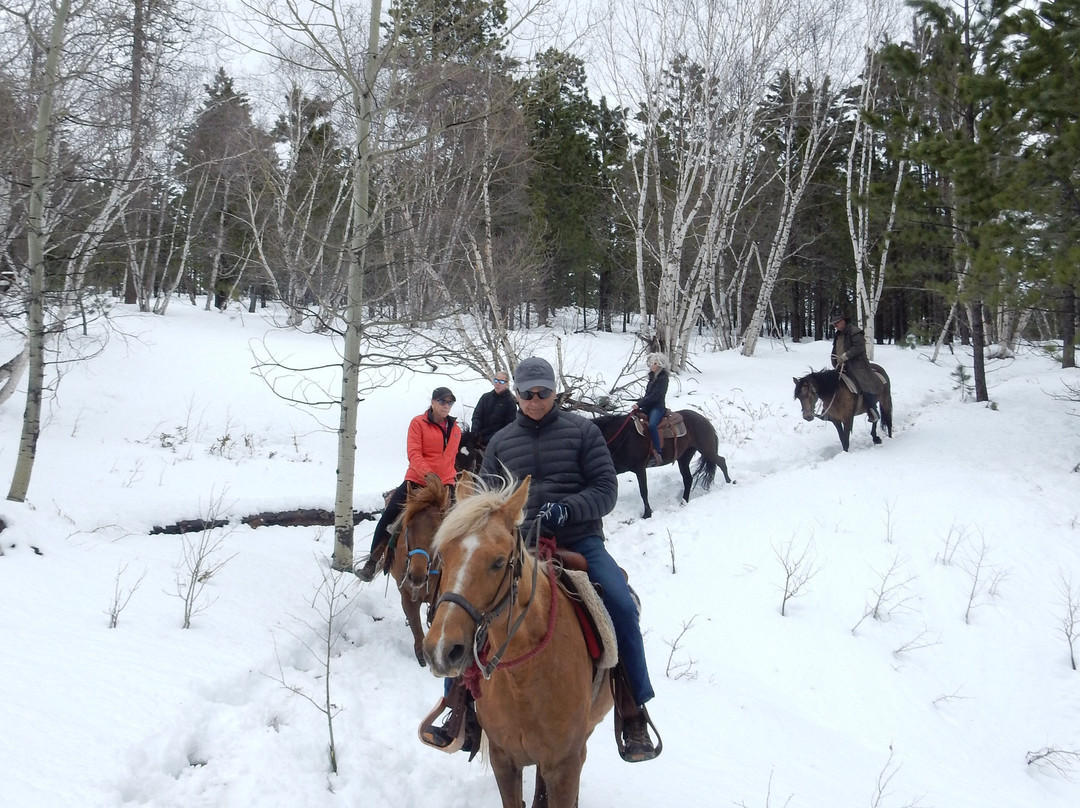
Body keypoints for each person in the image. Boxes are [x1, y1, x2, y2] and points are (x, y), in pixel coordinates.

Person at [426, 356, 660, 763]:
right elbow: (484, 503)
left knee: (620, 604)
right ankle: (459, 706)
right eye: (527, 393)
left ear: (555, 392)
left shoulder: (583, 432)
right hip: (518, 545)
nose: (535, 401)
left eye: (544, 393)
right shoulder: (501, 442)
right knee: (474, 605)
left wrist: (569, 509)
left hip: (579, 540)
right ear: (516, 394)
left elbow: (607, 488)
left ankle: (633, 708)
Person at [357, 387, 462, 582]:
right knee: (390, 517)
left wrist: (451, 479)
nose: (445, 406)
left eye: (449, 403)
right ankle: (372, 562)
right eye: (442, 402)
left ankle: (458, 571)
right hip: (417, 481)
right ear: (432, 402)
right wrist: (427, 473)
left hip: (445, 485)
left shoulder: (456, 430)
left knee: (460, 525)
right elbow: (414, 452)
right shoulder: (418, 423)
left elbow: (450, 459)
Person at [830, 310, 883, 422]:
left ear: (843, 321)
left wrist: (846, 355)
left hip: (858, 366)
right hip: (841, 366)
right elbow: (835, 350)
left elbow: (859, 347)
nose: (835, 326)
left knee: (864, 384)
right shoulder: (838, 335)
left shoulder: (854, 331)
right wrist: (834, 361)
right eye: (834, 324)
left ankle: (872, 410)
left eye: (837, 323)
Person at [635, 352, 669, 467]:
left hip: (657, 407)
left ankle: (658, 452)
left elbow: (655, 396)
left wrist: (640, 403)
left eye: (655, 364)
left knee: (652, 425)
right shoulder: (652, 377)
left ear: (660, 365)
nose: (652, 366)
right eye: (652, 363)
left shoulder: (663, 378)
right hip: (648, 406)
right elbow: (648, 395)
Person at [470, 370, 517, 446]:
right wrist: (475, 432)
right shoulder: (485, 397)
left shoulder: (510, 402)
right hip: (479, 438)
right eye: (496, 380)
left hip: (497, 442)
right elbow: (477, 416)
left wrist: (492, 439)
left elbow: (509, 427)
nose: (497, 383)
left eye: (501, 382)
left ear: (507, 384)